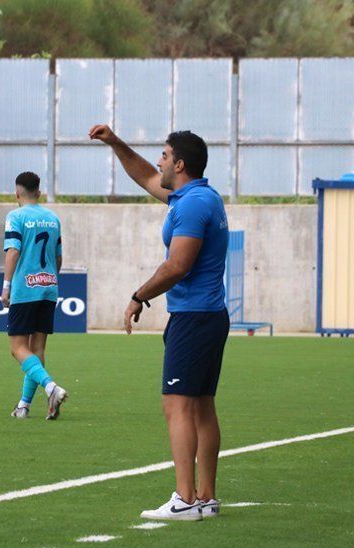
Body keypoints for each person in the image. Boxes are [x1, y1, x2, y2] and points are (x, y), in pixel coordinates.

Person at [90, 124, 229, 521]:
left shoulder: (191, 204)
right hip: (204, 316)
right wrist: (116, 143)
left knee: (177, 406)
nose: (159, 161)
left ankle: (185, 499)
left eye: (165, 155)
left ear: (180, 164)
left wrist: (138, 296)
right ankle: (205, 496)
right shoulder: (196, 196)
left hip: (194, 318)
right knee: (201, 406)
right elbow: (144, 176)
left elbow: (178, 265)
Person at [1, 172, 67, 420]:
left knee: (17, 348)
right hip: (49, 288)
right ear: (38, 192)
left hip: (25, 289)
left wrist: (6, 285)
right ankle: (23, 406)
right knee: (36, 350)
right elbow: (59, 257)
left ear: (17, 193)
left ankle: (51, 388)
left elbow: (13, 251)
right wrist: (49, 278)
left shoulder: (16, 216)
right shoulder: (52, 218)